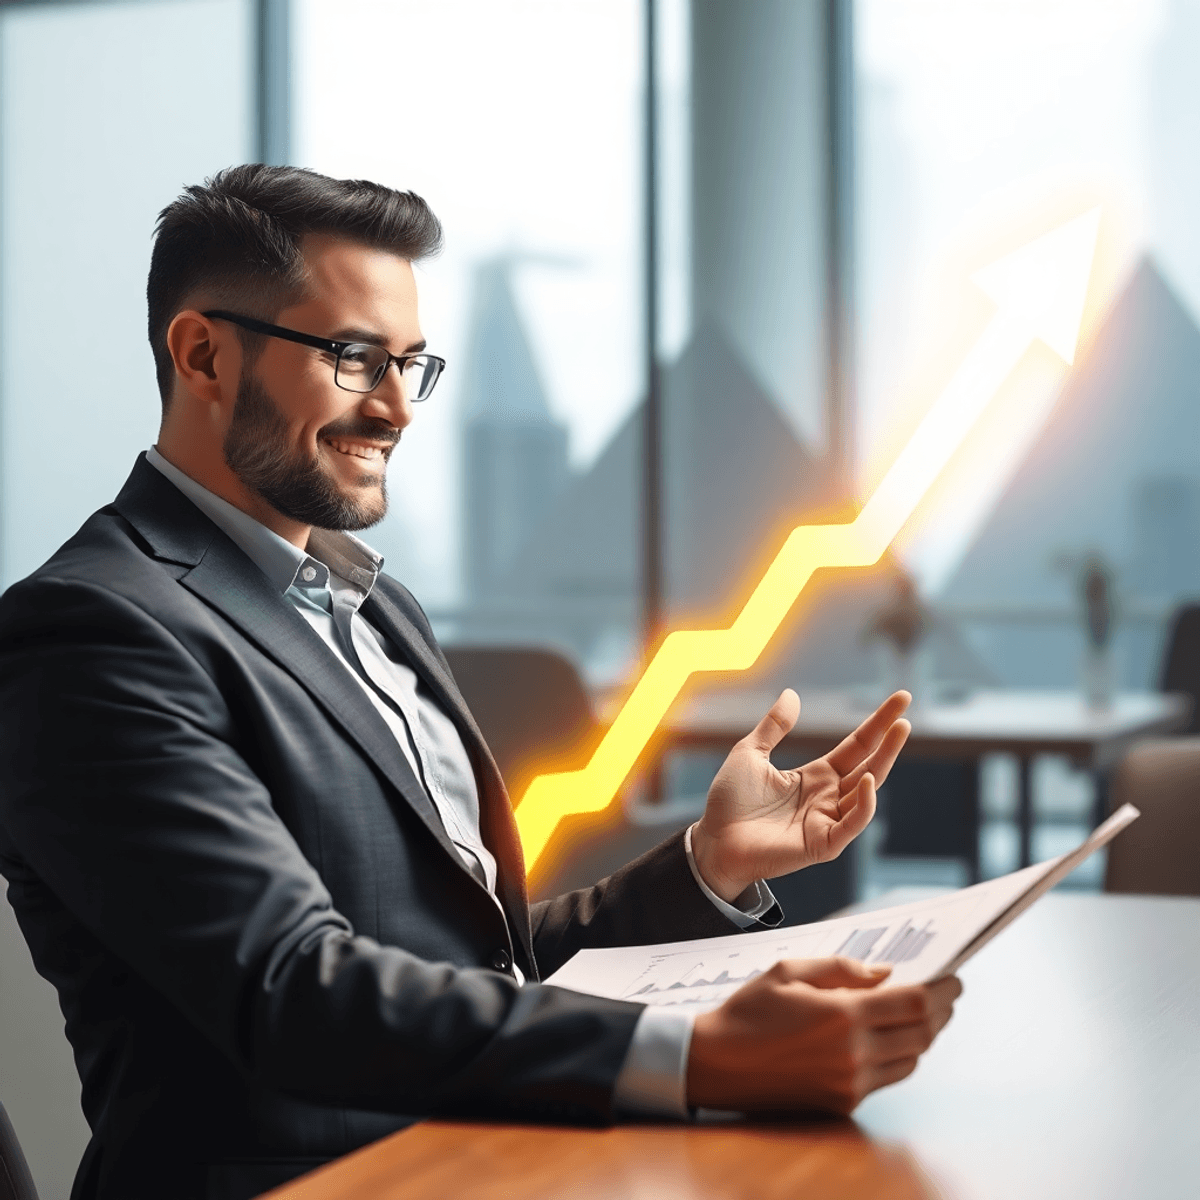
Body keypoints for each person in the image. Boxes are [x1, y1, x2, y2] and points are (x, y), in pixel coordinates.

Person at [0, 166, 960, 1200]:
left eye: (413, 364)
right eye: (355, 358)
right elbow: (289, 991)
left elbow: (480, 973)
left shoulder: (378, 609)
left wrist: (708, 867)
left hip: (493, 1160)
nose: (399, 409)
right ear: (203, 355)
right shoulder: (93, 632)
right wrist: (698, 1055)